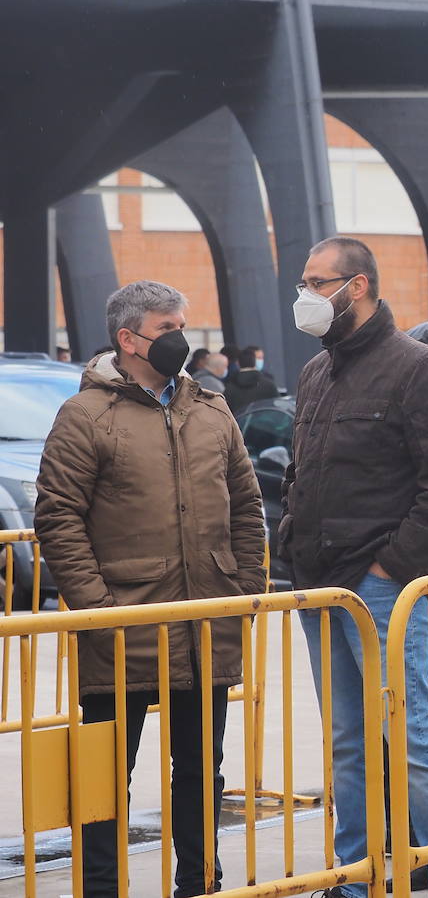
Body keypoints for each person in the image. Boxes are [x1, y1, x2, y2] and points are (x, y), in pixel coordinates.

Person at [35, 280, 265, 898]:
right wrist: (98, 611)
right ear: (128, 338)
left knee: (199, 771)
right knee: (105, 778)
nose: (181, 339)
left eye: (183, 325)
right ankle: (102, 889)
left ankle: (201, 882)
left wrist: (244, 591)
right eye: (168, 328)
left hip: (207, 622)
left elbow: (246, 507)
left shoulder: (212, 409)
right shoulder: (86, 416)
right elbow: (58, 517)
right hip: (121, 629)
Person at [281, 236, 428, 898]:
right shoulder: (317, 372)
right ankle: (355, 879)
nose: (305, 294)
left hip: (380, 587)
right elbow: (303, 475)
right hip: (320, 583)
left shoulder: (417, 368)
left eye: (317, 281)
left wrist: (393, 567)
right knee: (347, 744)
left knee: (412, 741)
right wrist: (291, 545)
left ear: (357, 287)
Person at [222, 346, 279, 413]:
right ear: (255, 362)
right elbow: (277, 408)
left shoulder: (229, 388)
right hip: (266, 422)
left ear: (238, 363)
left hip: (239, 422)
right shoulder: (269, 385)